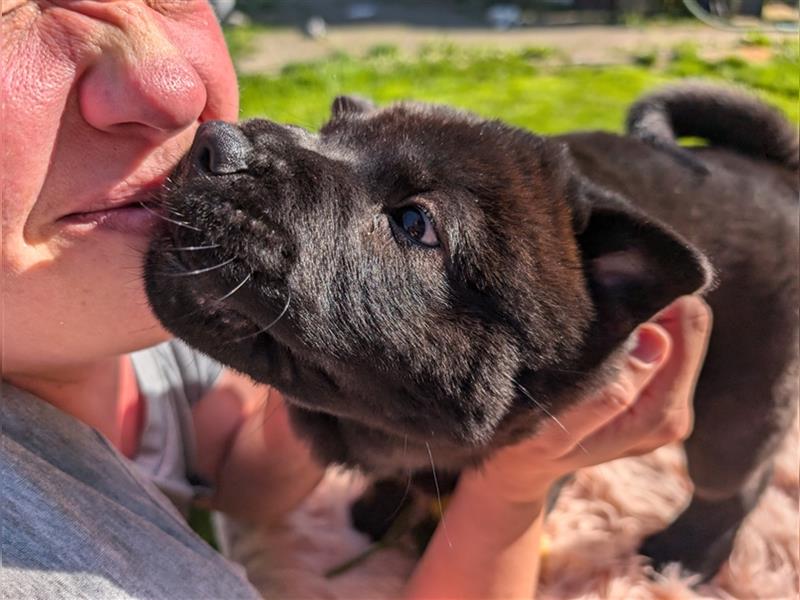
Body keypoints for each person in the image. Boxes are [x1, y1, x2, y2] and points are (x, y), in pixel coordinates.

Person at [0, 1, 712, 598]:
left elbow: (235, 470)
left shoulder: (114, 337)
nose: (178, 89)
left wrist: (330, 365)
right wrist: (509, 499)